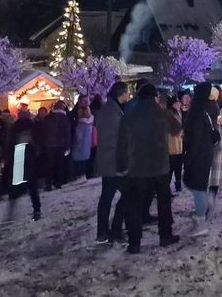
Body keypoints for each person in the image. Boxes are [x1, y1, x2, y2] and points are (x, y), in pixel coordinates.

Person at [115, 83, 181, 253]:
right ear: (154, 97)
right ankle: (165, 235)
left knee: (134, 204)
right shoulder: (162, 113)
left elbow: (121, 142)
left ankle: (134, 242)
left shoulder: (129, 116)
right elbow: (177, 129)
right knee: (163, 202)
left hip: (137, 167)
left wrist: (121, 164)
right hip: (160, 166)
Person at [94, 82, 130, 244]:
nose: (128, 97)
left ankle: (102, 232)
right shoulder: (112, 113)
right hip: (113, 162)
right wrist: (122, 164)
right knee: (128, 194)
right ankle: (114, 230)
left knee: (107, 197)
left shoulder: (108, 110)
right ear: (120, 94)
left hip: (108, 161)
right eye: (127, 94)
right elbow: (116, 141)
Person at [182, 81, 219, 237]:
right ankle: (206, 203)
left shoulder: (198, 112)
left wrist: (188, 157)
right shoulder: (210, 108)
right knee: (197, 186)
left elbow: (195, 137)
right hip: (206, 152)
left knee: (197, 187)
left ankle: (201, 220)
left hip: (198, 153)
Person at [5, 109, 42, 221]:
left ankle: (12, 209)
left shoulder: (15, 127)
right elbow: (38, 141)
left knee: (17, 184)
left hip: (19, 156)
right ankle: (37, 209)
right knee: (32, 186)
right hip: (30, 158)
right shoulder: (33, 126)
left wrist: (7, 157)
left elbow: (9, 143)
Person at [207, 93, 222, 222]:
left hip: (219, 147)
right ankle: (206, 204)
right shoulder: (204, 109)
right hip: (206, 147)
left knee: (215, 179)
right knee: (207, 178)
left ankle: (210, 203)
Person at [43, 101, 72, 189]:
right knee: (59, 164)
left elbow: (44, 132)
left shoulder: (47, 118)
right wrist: (68, 145)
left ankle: (48, 183)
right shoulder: (65, 118)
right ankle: (57, 182)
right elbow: (67, 133)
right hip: (61, 144)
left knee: (49, 165)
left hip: (49, 145)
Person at [71, 102, 94, 181]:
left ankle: (80, 176)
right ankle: (84, 175)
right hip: (87, 145)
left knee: (78, 161)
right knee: (85, 160)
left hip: (79, 146)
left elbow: (78, 136)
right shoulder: (91, 123)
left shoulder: (81, 124)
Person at [167, 95, 184, 192]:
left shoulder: (177, 113)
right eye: (178, 103)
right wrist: (181, 131)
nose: (180, 104)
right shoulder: (170, 115)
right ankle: (167, 187)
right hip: (172, 146)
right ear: (173, 104)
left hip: (177, 145)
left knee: (177, 166)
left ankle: (178, 184)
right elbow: (174, 131)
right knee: (172, 167)